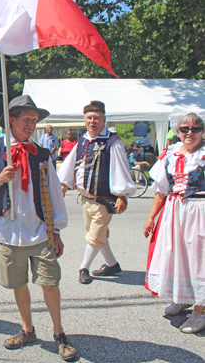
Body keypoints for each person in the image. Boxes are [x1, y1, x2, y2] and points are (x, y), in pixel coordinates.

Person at [0, 95, 78, 362]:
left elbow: (54, 193)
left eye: (35, 120)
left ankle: (59, 333)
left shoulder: (41, 155)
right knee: (18, 283)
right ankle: (28, 329)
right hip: (6, 232)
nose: (32, 124)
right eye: (27, 120)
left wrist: (57, 230)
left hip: (39, 230)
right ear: (12, 121)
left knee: (50, 283)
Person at [58, 101, 136, 285]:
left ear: (104, 120)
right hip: (86, 199)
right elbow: (72, 164)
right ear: (85, 120)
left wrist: (122, 195)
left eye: (96, 118)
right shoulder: (83, 140)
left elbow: (121, 170)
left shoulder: (112, 143)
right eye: (89, 118)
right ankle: (112, 265)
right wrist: (64, 184)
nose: (92, 121)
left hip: (104, 201)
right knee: (98, 235)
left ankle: (83, 268)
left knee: (94, 236)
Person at [143, 109, 205, 334]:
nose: (190, 133)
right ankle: (183, 296)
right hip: (174, 211)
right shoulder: (170, 154)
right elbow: (161, 190)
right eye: (185, 129)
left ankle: (200, 309)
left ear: (202, 131)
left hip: (200, 211)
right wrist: (151, 218)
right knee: (177, 256)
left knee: (199, 259)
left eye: (195, 129)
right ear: (177, 131)